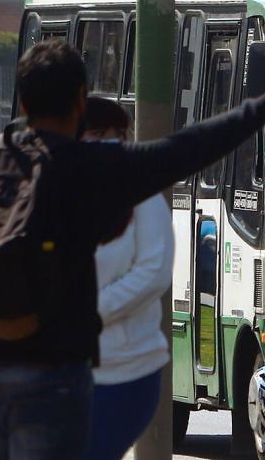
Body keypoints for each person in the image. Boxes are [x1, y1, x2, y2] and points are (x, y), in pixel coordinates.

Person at [0, 40, 265, 459]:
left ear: (22, 98)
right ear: (79, 101)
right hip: (51, 371)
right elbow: (186, 149)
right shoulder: (88, 166)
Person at [81, 97, 172, 460]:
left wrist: (86, 313)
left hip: (124, 370)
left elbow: (153, 272)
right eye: (99, 133)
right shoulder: (49, 188)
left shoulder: (143, 194)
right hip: (58, 369)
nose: (113, 142)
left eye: (121, 133)